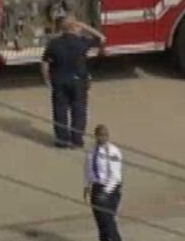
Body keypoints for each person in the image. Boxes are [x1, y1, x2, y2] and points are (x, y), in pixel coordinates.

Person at [40, 14, 106, 148]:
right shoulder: (81, 42)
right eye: (77, 25)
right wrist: (84, 25)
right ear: (74, 27)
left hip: (59, 81)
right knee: (79, 111)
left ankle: (62, 140)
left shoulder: (54, 43)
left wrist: (47, 80)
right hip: (78, 81)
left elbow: (44, 62)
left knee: (60, 110)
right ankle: (76, 140)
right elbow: (102, 38)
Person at [83, 124, 123, 241]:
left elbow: (115, 176)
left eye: (105, 135)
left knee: (108, 222)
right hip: (96, 187)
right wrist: (87, 185)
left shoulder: (113, 152)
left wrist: (105, 193)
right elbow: (87, 168)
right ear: (96, 136)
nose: (102, 137)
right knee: (100, 223)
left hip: (110, 190)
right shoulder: (91, 150)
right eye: (100, 135)